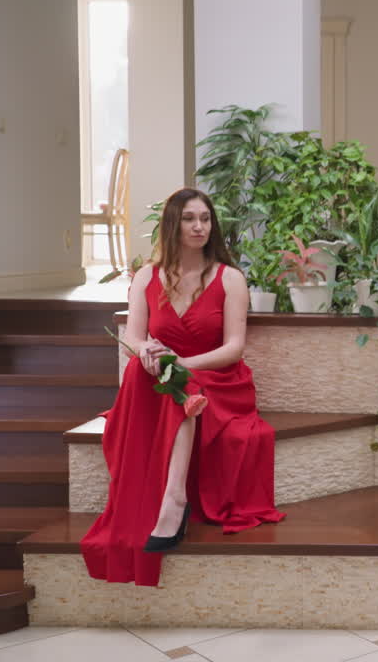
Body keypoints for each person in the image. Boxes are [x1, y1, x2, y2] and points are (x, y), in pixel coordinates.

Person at [81, 188, 285, 587]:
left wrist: (180, 364)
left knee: (176, 379)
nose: (199, 226)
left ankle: (175, 499)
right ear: (173, 225)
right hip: (166, 377)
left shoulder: (230, 279)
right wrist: (149, 353)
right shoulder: (146, 277)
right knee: (148, 372)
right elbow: (134, 339)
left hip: (219, 381)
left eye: (205, 219)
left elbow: (233, 348)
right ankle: (169, 500)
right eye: (190, 218)